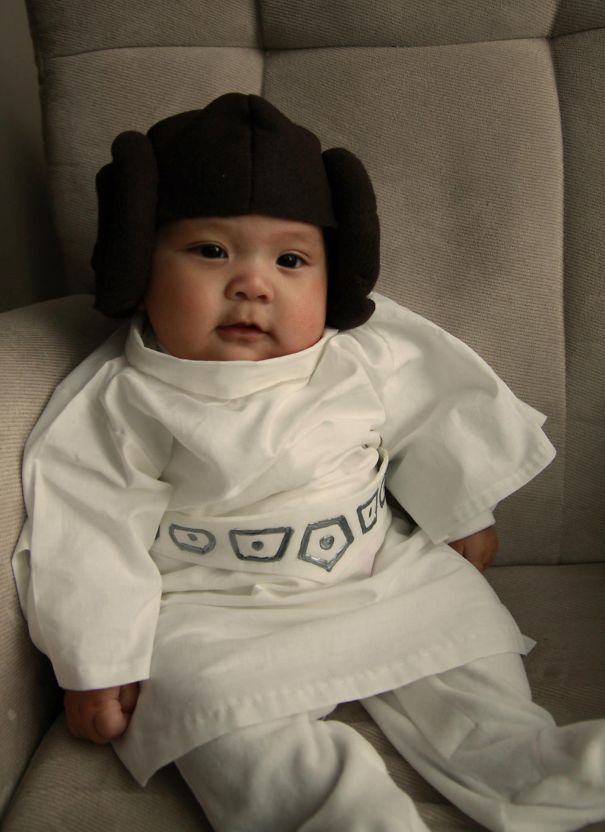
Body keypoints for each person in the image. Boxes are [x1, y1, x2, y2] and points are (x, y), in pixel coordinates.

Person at [12, 93, 605, 832]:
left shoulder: (363, 352)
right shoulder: (123, 401)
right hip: (214, 607)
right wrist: (96, 660)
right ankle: (342, 816)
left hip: (376, 572)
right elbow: (87, 530)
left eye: (290, 259)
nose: (252, 284)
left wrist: (462, 508)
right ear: (139, 263)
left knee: (471, 667)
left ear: (334, 280)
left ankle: (542, 770)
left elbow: (436, 406)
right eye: (209, 251)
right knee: (218, 721)